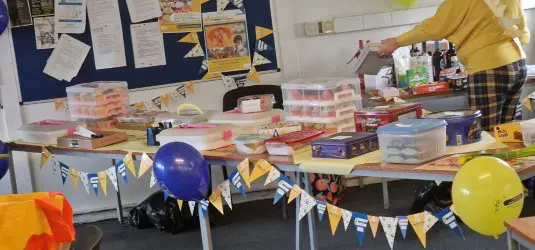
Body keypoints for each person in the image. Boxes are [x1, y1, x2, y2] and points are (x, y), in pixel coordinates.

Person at [378, 0, 530, 130]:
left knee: (485, 131)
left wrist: (397, 41)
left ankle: (489, 162)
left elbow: (435, 27)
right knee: (509, 130)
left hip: (489, 67)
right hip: (518, 61)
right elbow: (520, 29)